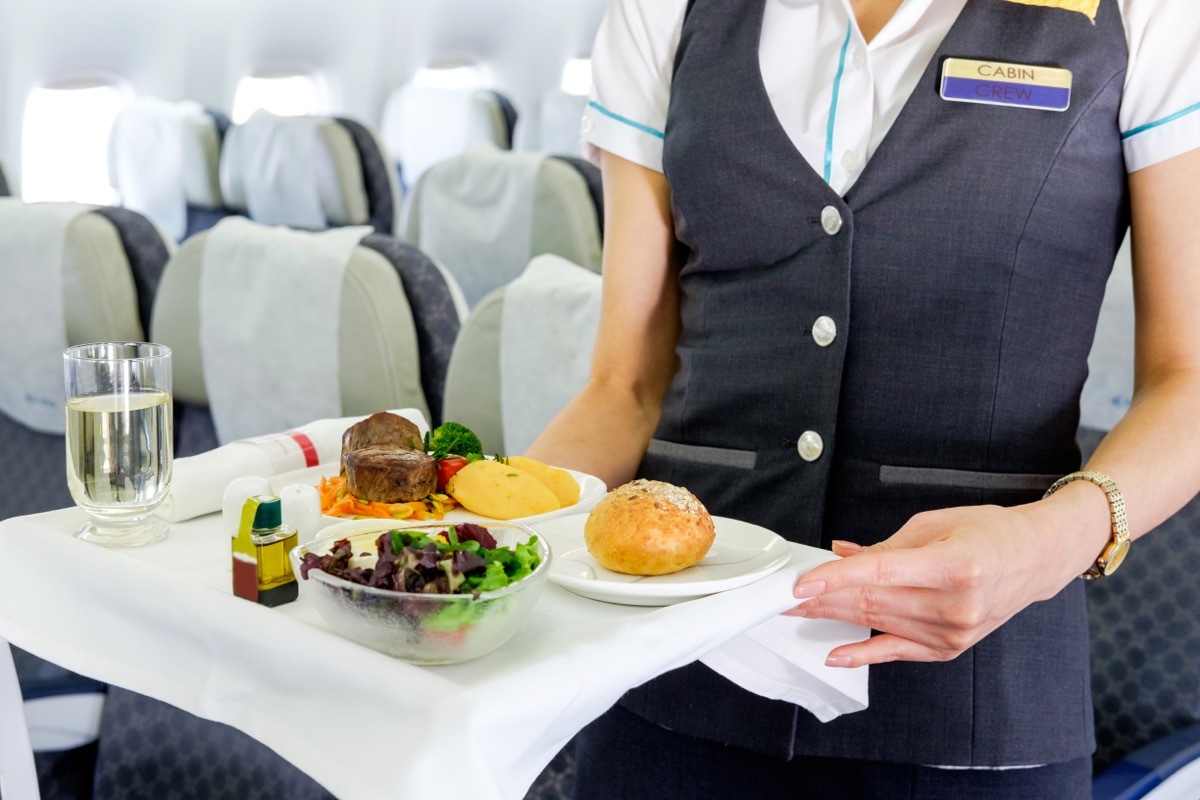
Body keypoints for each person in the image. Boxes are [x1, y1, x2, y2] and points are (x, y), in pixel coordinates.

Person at [524, 0, 1200, 797]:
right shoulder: (663, 11)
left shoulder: (1151, 14)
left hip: (974, 706)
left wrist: (1052, 540)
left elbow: (1187, 378)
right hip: (666, 681)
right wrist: (481, 545)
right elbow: (624, 385)